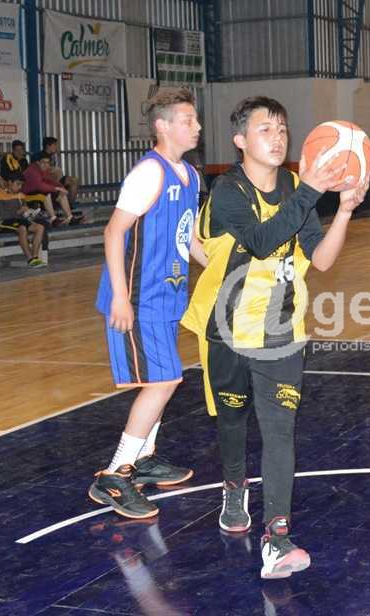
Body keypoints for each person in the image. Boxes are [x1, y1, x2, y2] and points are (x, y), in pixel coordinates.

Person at [181, 96, 368, 579]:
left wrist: (344, 211)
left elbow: (321, 259)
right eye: (266, 129)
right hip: (225, 330)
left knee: (280, 431)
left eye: (283, 129)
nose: (278, 137)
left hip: (281, 332)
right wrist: (311, 192)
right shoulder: (227, 191)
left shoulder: (294, 186)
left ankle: (277, 538)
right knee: (232, 421)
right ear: (240, 140)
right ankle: (233, 487)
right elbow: (263, 242)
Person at [89, 88, 204, 519]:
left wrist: (223, 268)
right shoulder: (148, 173)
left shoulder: (190, 175)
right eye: (188, 120)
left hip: (168, 296)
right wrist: (120, 296)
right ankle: (116, 475)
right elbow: (113, 231)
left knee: (163, 379)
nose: (197, 126)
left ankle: (143, 458)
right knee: (165, 381)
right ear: (162, 126)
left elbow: (188, 237)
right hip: (138, 298)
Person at [0, 173, 46, 267]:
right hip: (3, 223)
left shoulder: (20, 195)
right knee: (22, 228)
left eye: (21, 185)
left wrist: (29, 213)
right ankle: (30, 259)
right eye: (17, 184)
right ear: (9, 182)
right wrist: (19, 211)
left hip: (19, 221)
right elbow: (3, 215)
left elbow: (23, 214)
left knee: (40, 227)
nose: (20, 187)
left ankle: (35, 257)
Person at [23, 153, 72, 224]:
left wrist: (61, 187)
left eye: (47, 162)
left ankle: (70, 217)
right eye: (43, 162)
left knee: (61, 192)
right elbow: (40, 186)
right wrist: (56, 189)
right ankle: (53, 219)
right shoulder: (32, 170)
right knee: (46, 193)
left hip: (36, 192)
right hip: (26, 196)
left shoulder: (43, 169)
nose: (46, 165)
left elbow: (50, 181)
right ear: (38, 162)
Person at [39, 136, 79, 202]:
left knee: (74, 180)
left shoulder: (52, 156)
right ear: (48, 146)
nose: (56, 147)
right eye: (54, 145)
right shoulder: (39, 156)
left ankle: (70, 203)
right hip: (46, 181)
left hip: (56, 180)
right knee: (58, 171)